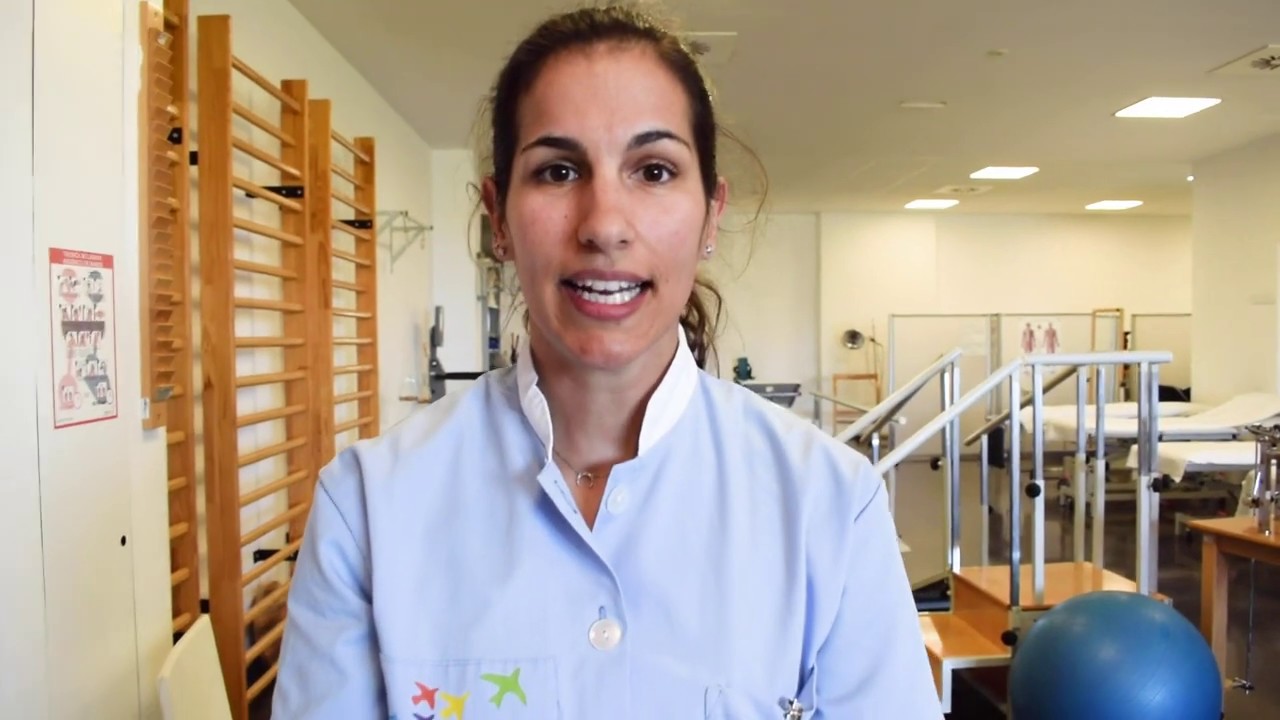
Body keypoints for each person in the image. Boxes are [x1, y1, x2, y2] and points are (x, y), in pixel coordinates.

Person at [271, 5, 941, 718]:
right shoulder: (369, 509)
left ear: (711, 215)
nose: (604, 225)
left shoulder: (829, 506)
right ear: (499, 217)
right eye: (558, 171)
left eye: (653, 170)